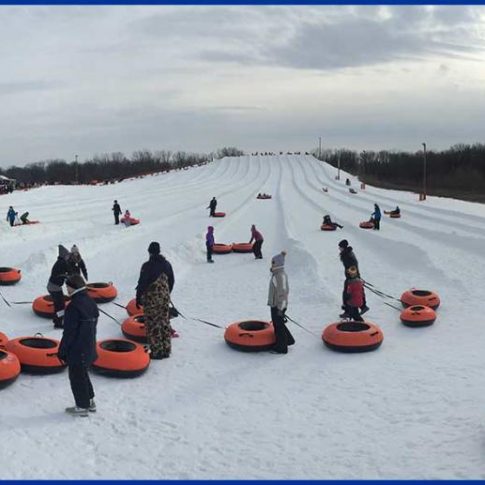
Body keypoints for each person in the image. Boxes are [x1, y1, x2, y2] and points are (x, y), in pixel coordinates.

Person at [58, 274, 98, 417]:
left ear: (73, 287)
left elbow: (69, 332)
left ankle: (82, 406)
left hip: (77, 348)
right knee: (83, 374)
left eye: (67, 286)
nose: (66, 289)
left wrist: (62, 350)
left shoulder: (73, 306)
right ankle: (90, 401)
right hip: (89, 346)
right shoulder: (90, 301)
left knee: (76, 377)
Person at [136, 242, 175, 359]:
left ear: (149, 252)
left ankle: (157, 352)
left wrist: (138, 298)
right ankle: (166, 349)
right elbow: (172, 281)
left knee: (153, 324)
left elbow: (142, 284)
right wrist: (166, 294)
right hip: (164, 299)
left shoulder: (147, 266)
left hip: (151, 300)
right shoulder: (167, 264)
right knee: (164, 322)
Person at [267, 251, 294, 354]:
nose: (272, 264)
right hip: (276, 304)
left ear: (278, 263)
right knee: (279, 324)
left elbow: (283, 293)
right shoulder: (276, 274)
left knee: (278, 326)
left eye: (273, 262)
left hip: (278, 306)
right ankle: (289, 340)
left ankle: (281, 348)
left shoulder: (280, 275)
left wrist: (280, 308)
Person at [338, 240, 369, 315]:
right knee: (357, 292)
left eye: (340, 247)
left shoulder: (347, 255)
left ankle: (348, 311)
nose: (339, 248)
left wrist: (353, 278)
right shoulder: (347, 253)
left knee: (347, 294)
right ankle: (362, 306)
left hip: (352, 277)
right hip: (353, 276)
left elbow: (352, 266)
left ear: (343, 247)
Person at [47, 245, 71, 328]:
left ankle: (56, 319)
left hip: (52, 286)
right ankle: (58, 323)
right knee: (60, 306)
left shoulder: (60, 262)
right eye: (68, 255)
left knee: (58, 305)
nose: (69, 257)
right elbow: (69, 272)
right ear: (64, 255)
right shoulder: (62, 263)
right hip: (55, 287)